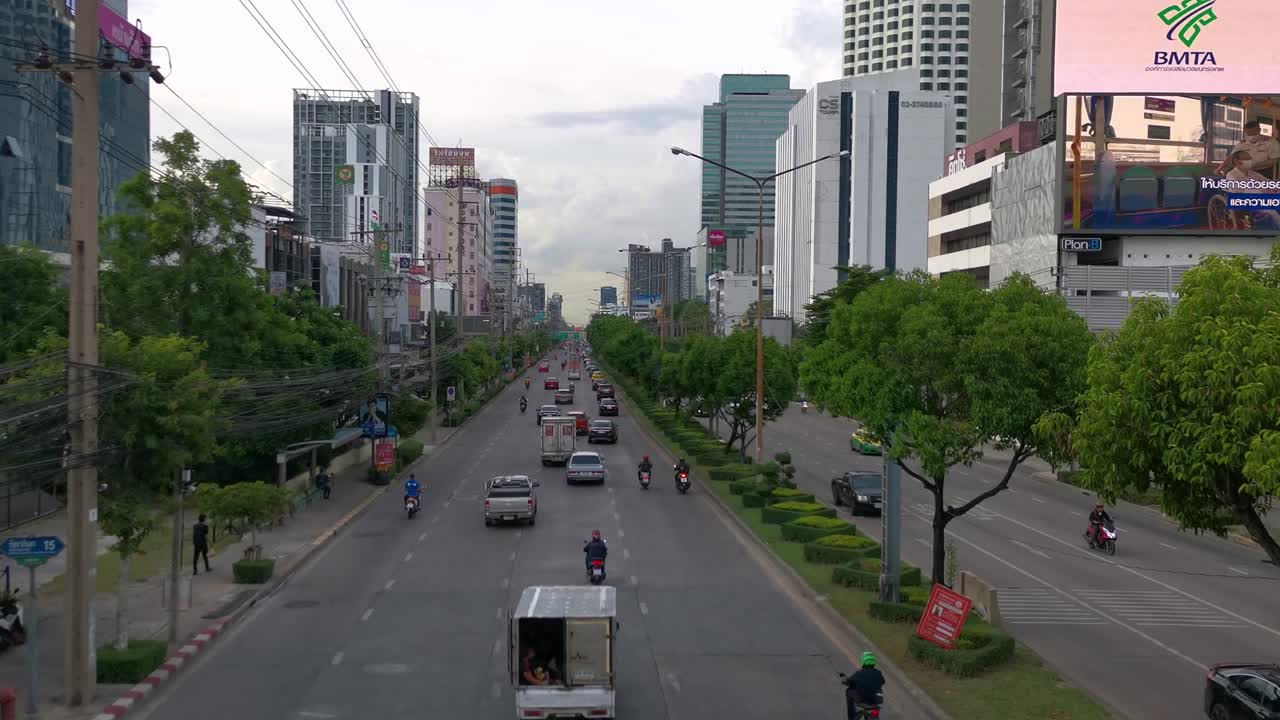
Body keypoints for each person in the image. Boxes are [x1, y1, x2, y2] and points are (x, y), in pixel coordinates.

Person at [843, 652, 886, 717]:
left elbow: (849, 682)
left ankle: (851, 716)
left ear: (863, 661)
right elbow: (882, 681)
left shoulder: (859, 673)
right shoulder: (878, 673)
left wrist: (845, 681)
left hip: (862, 699)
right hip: (875, 700)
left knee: (849, 691)